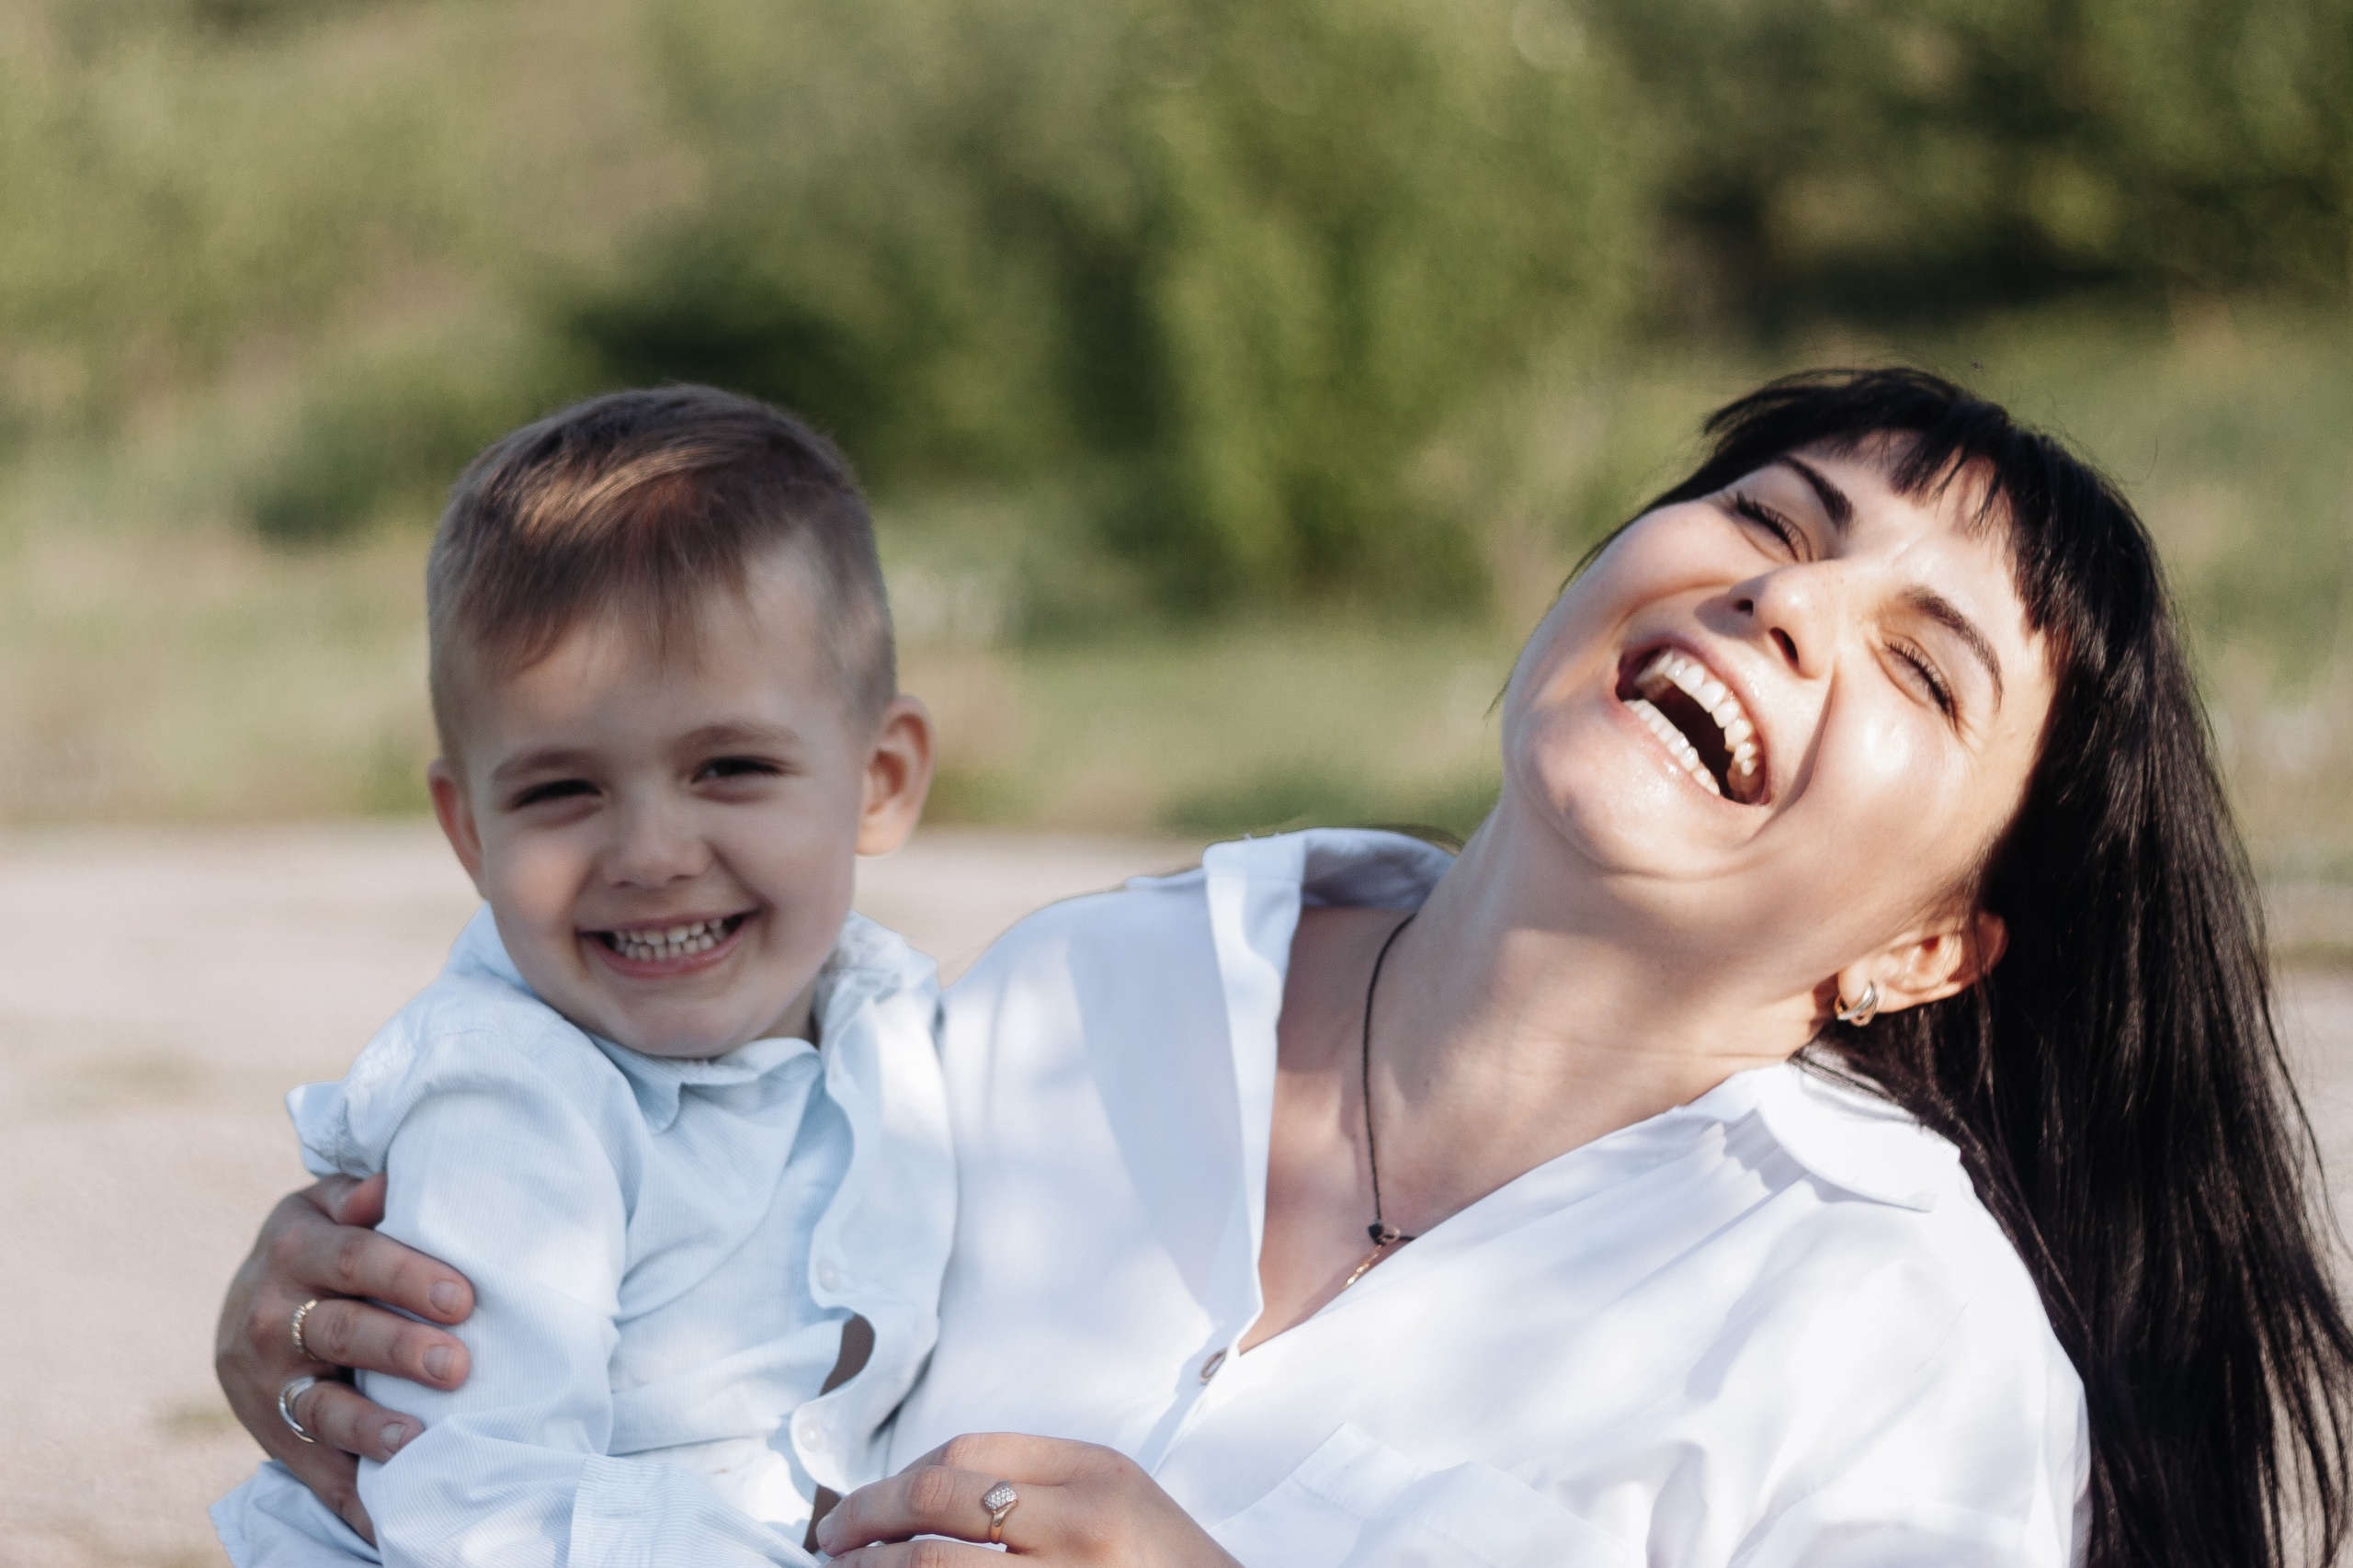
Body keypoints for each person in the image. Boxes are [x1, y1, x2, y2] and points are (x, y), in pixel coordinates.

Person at [217, 370, 2353, 1568]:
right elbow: (650, 1259)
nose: (1789, 606)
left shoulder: (1889, 1334)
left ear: (1924, 942)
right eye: (1769, 524)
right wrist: (339, 1314)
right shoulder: (1064, 999)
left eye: (1913, 658)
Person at [210, 386, 953, 1565]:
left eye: (730, 765)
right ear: (471, 831)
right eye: (561, 790)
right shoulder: (510, 1090)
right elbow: (478, 1507)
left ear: (880, 779)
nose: (652, 854)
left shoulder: (898, 1020)